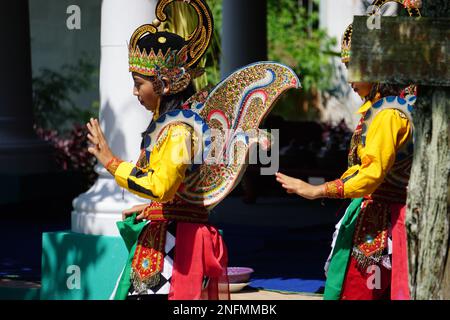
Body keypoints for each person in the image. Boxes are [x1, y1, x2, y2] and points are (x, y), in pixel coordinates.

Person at [86, 0, 229, 300]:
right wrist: (151, 208)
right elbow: (175, 192)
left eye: (139, 83)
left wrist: (112, 163)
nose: (134, 91)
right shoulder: (170, 126)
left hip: (178, 245)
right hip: (171, 234)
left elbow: (161, 186)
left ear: (165, 84)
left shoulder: (179, 131)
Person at [275, 4, 419, 300]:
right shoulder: (381, 109)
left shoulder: (389, 115)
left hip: (386, 222)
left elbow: (370, 175)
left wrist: (317, 190)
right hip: (376, 216)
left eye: (353, 68)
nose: (350, 79)